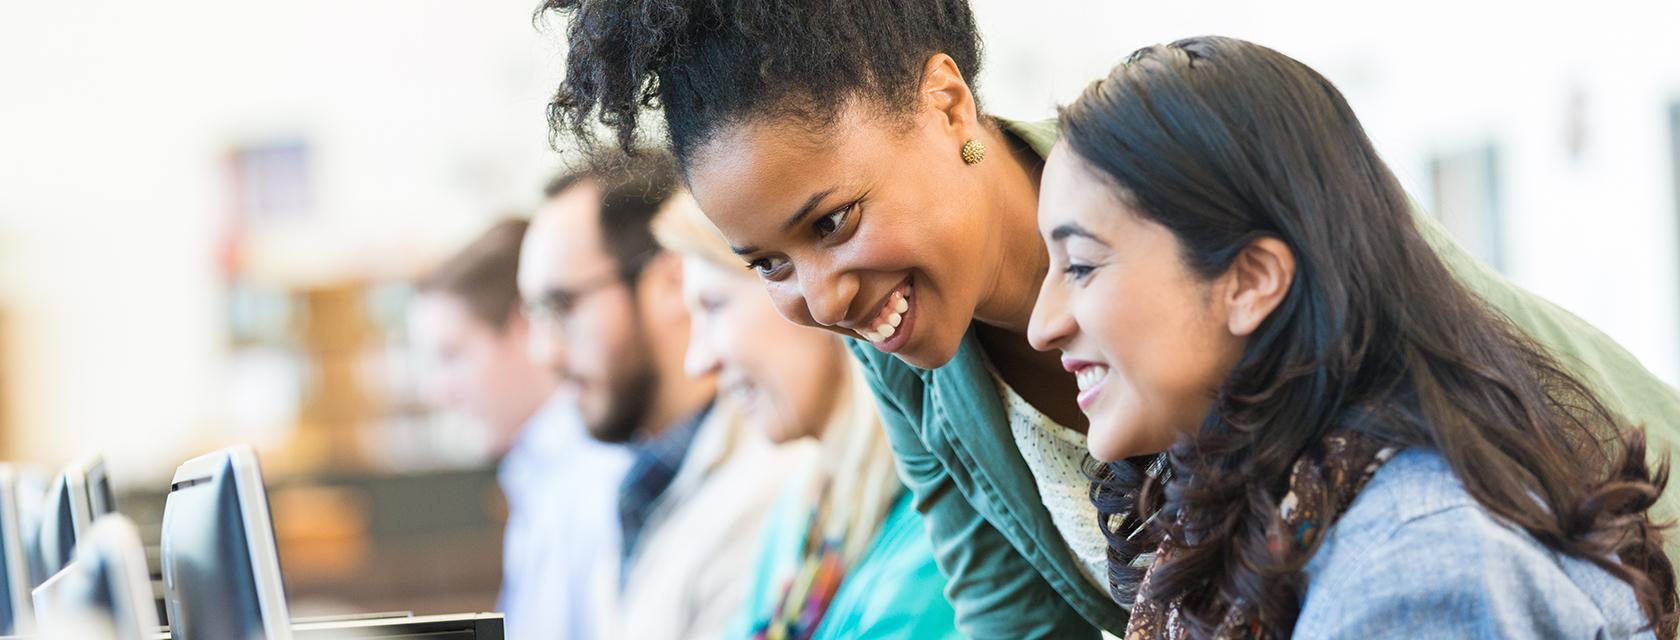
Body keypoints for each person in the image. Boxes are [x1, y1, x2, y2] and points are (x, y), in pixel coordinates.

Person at [539, 2, 1680, 636]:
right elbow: (1012, 620)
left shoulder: (1217, 199)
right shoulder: (913, 355)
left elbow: (1465, 470)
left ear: (947, 104)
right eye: (765, 264)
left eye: (833, 222)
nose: (821, 301)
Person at [1029, 36, 1676, 638]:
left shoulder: (1411, 571)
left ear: (1252, 280)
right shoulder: (1284, 520)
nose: (1041, 325)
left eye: (1081, 265)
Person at [518, 151, 802, 640]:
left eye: (562, 306)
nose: (544, 352)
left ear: (671, 282)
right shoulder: (642, 481)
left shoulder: (767, 491)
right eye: (534, 314)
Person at [651, 192, 959, 639]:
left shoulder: (939, 524)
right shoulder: (802, 511)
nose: (698, 362)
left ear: (805, 288)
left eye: (714, 305)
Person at [410, 219, 631, 640]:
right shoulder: (539, 472)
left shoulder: (593, 476)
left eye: (451, 355)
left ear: (523, 327)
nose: (436, 391)